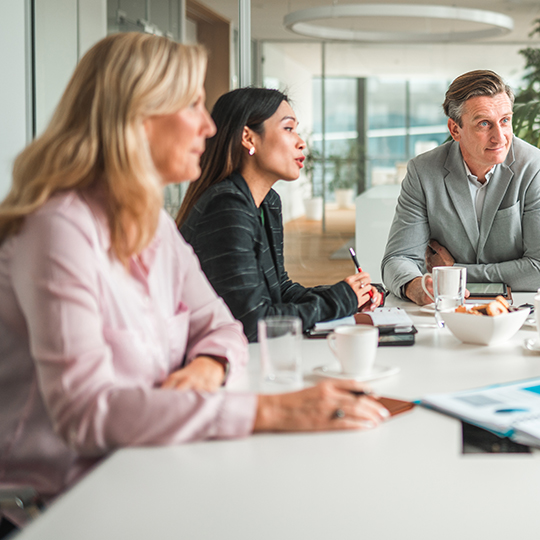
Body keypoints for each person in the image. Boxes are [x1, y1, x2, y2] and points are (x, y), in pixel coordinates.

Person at [0, 33, 388, 525]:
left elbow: (224, 328)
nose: (208, 127)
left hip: (146, 464)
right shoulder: (60, 229)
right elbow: (86, 413)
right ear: (135, 116)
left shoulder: (151, 224)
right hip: (56, 506)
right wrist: (266, 413)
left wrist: (207, 364)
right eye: (192, 105)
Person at [176, 88, 381, 342]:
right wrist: (339, 300)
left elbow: (279, 290)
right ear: (248, 138)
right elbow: (253, 321)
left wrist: (350, 293)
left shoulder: (267, 203)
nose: (301, 141)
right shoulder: (226, 207)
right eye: (288, 128)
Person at [381, 70, 540, 305]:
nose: (500, 137)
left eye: (505, 120)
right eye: (484, 124)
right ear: (455, 129)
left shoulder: (536, 168)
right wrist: (415, 287)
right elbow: (398, 259)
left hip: (519, 309)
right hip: (446, 307)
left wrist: (454, 271)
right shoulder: (423, 171)